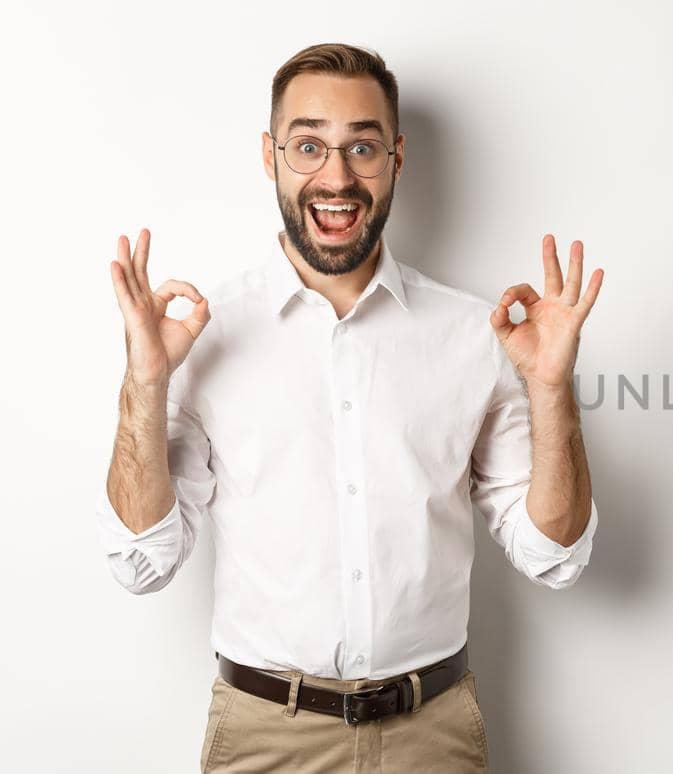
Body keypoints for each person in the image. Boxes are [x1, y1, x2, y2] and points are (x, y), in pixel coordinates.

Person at [96, 42, 603, 772]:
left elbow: (554, 556)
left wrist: (553, 392)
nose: (336, 178)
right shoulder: (204, 337)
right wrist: (144, 383)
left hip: (433, 734)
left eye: (361, 147)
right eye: (309, 146)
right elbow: (140, 562)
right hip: (265, 736)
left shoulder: (474, 336)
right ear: (271, 157)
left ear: (396, 158)